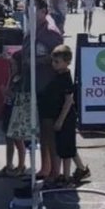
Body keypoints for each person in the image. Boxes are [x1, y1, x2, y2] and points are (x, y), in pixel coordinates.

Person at [9, 0, 63, 182]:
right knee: (37, 130)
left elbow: (59, 57)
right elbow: (27, 51)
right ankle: (44, 169)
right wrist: (15, 56)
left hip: (46, 86)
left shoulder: (51, 31)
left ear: (43, 10)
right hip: (31, 85)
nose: (27, 12)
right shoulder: (32, 29)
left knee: (48, 132)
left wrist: (37, 61)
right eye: (26, 8)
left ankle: (53, 173)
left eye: (32, 9)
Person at [41, 44, 91, 187]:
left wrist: (60, 121)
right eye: (53, 61)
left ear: (67, 62)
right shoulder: (58, 75)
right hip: (58, 116)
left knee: (66, 149)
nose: (53, 64)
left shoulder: (66, 78)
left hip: (66, 118)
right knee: (66, 146)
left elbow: (69, 100)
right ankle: (80, 169)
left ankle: (67, 177)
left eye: (57, 62)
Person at [0, 50, 30, 178]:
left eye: (15, 65)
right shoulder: (12, 76)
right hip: (8, 108)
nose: (12, 67)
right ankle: (9, 164)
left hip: (16, 110)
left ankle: (21, 165)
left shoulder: (21, 79)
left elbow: (18, 96)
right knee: (8, 138)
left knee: (18, 139)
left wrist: (6, 92)